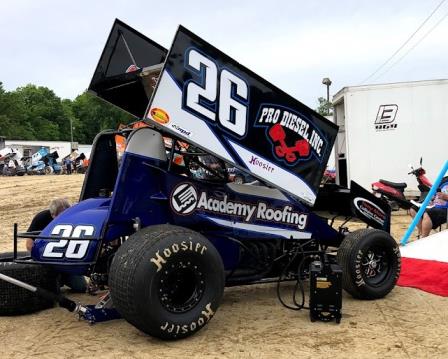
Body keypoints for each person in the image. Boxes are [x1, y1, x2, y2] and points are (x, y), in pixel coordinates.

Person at [26, 198, 87, 293]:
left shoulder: (73, 218)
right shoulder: (41, 218)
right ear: (52, 214)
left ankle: (62, 279)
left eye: (66, 214)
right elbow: (29, 244)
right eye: (60, 216)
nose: (64, 218)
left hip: (66, 261)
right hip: (47, 262)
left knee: (81, 287)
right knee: (53, 291)